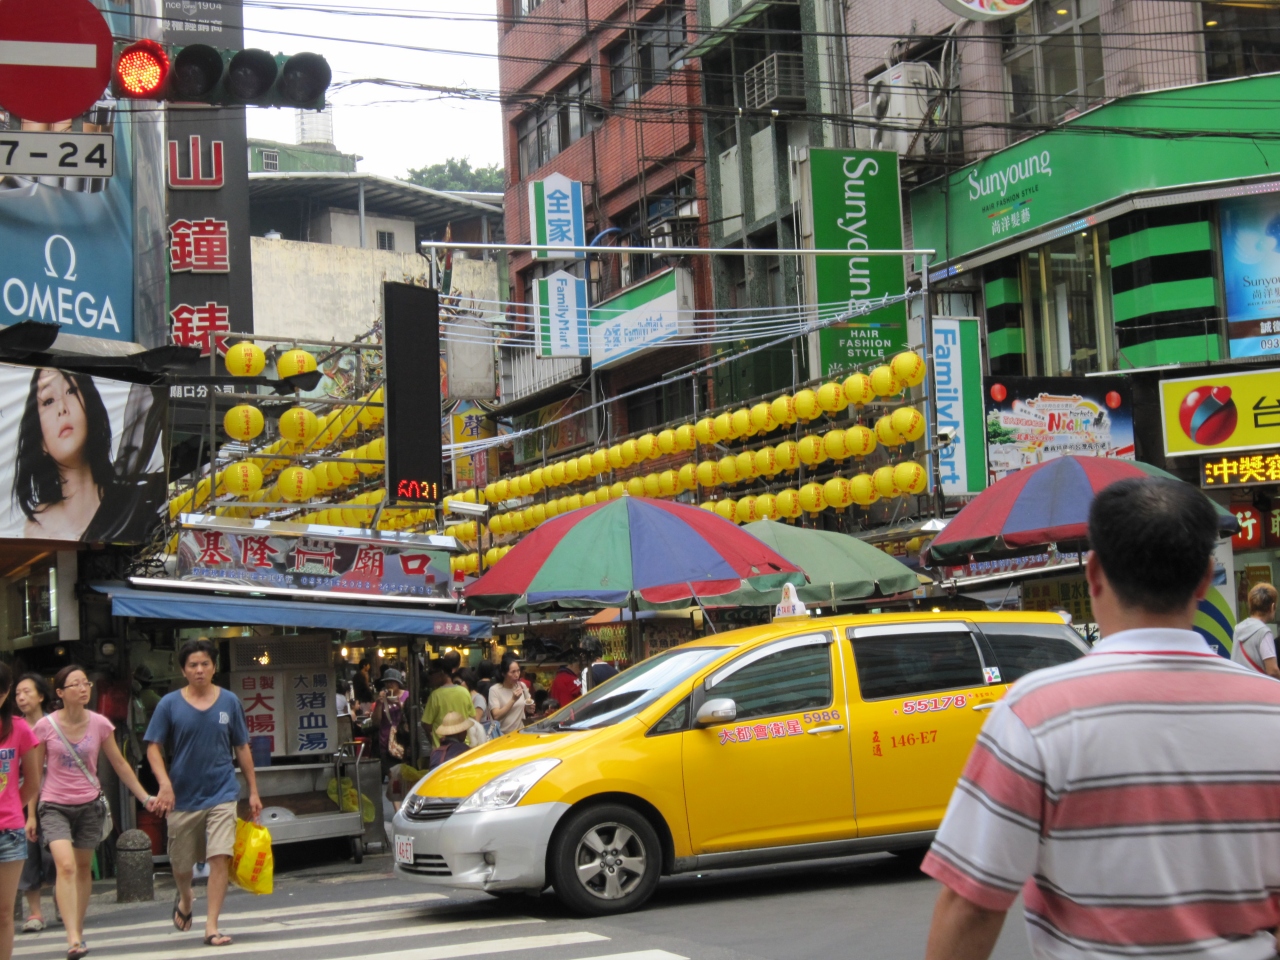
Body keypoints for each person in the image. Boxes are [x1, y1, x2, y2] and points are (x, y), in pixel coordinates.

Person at [922, 478, 1280, 960]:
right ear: (1204, 579)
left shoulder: (1035, 713)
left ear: (1093, 574)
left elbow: (972, 906)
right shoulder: (1271, 710)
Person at [144, 639, 261, 949]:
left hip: (222, 792)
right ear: (183, 670)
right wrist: (164, 784)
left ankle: (211, 925)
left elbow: (241, 747)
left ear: (214, 667)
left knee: (219, 856)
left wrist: (253, 791)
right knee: (181, 865)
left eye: (205, 664)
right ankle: (186, 897)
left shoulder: (230, 702)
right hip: (182, 798)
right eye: (193, 665)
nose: (199, 670)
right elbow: (153, 747)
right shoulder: (169, 704)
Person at [36, 666, 159, 960]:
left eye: (85, 683)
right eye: (75, 684)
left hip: (89, 804)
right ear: (60, 692)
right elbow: (34, 773)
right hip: (54, 805)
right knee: (65, 866)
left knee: (81, 869)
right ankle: (72, 937)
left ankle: (77, 928)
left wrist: (144, 796)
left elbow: (119, 764)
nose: (83, 688)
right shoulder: (44, 727)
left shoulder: (100, 724)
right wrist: (29, 814)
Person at [13, 369, 113, 541]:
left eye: (71, 391)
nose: (62, 408)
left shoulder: (126, 504)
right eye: (48, 401)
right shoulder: (38, 529)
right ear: (41, 441)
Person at [0, 664, 42, 960]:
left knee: (4, 913)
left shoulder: (18, 728)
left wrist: (12, 806)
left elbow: (33, 782)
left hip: (8, 832)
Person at [13, 674, 53, 935]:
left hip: (54, 796)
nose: (21, 697)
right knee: (28, 857)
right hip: (22, 798)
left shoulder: (54, 723)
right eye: (17, 693)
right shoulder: (13, 728)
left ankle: (63, 900)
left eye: (26, 692)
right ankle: (35, 912)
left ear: (41, 696)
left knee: (55, 855)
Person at [420, 661, 477, 749]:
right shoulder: (464, 692)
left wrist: (433, 739)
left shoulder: (435, 696)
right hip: (464, 746)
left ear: (441, 673)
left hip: (442, 749)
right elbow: (473, 718)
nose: (430, 677)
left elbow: (427, 725)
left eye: (431, 673)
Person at [1231, 583, 1278, 678]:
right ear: (1272, 607)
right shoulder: (1263, 632)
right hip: (1257, 684)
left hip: (1237, 683)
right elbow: (1272, 671)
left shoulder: (1238, 629)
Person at [371, 668, 408, 778]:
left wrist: (400, 705)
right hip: (386, 741)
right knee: (391, 775)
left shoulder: (407, 696)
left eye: (392, 682)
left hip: (402, 741)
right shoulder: (382, 698)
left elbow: (410, 717)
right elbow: (376, 722)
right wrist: (379, 704)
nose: (389, 685)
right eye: (387, 682)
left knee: (403, 775)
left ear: (398, 683)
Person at [488, 655, 532, 736]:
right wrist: (513, 700)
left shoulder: (522, 686)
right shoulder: (494, 690)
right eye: (513, 672)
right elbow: (496, 716)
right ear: (504, 674)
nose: (517, 675)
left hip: (520, 734)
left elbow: (528, 708)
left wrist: (530, 707)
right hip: (502, 735)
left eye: (518, 671)